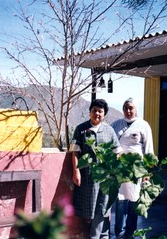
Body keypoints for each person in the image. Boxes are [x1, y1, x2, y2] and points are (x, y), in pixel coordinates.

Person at [70, 99, 122, 239]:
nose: (97, 113)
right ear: (90, 112)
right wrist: (76, 171)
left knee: (103, 206)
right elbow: (75, 152)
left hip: (105, 177)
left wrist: (115, 170)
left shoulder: (109, 130)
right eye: (94, 110)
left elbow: (118, 151)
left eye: (100, 111)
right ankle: (102, 235)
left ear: (104, 114)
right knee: (90, 207)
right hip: (87, 176)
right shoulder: (81, 129)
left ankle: (97, 236)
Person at [111, 97, 154, 239]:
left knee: (134, 200)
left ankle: (130, 232)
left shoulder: (144, 125)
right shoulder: (116, 124)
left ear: (136, 109)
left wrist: (147, 172)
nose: (128, 111)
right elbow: (109, 142)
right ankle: (119, 232)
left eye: (131, 108)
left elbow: (148, 149)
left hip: (137, 169)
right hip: (120, 169)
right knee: (120, 201)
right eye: (125, 108)